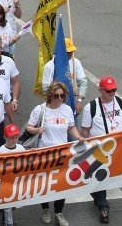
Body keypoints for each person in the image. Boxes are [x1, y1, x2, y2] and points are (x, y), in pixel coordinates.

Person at [26, 81, 85, 226]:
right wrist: (36, 130)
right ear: (50, 96)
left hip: (63, 153)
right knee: (46, 184)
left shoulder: (66, 109)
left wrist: (78, 137)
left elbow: (71, 127)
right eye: (57, 95)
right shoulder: (40, 109)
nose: (60, 98)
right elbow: (28, 127)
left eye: (62, 96)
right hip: (45, 153)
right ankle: (45, 209)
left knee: (61, 184)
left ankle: (59, 212)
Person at [80, 76, 122, 224]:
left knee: (106, 178)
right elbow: (85, 130)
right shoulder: (91, 108)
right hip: (98, 149)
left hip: (116, 149)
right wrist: (85, 149)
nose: (112, 93)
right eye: (109, 91)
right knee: (100, 177)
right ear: (101, 90)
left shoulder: (121, 102)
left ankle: (98, 198)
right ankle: (104, 207)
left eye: (114, 90)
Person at [40, 38, 88, 114]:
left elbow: (83, 82)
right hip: (55, 105)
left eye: (72, 51)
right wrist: (70, 91)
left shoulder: (76, 62)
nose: (71, 53)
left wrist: (79, 100)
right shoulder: (50, 66)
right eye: (68, 52)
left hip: (71, 104)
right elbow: (46, 88)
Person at [0, 124, 26, 226]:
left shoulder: (21, 148)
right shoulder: (0, 151)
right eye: (11, 137)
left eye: (16, 137)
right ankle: (8, 222)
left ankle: (8, 220)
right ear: (5, 137)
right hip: (5, 183)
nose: (14, 139)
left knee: (14, 204)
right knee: (7, 205)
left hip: (17, 182)